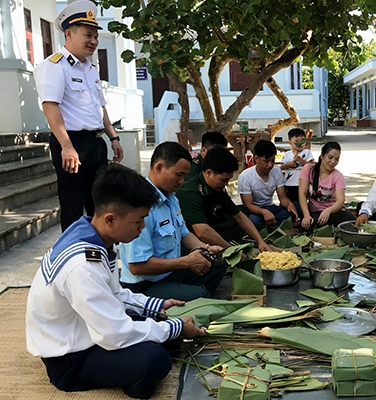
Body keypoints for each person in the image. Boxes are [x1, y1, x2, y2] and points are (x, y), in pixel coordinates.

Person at [26, 163, 205, 399]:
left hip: (88, 330)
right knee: (156, 359)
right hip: (70, 359)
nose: (142, 228)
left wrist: (158, 305)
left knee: (162, 328)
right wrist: (177, 327)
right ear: (111, 219)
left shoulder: (91, 232)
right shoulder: (82, 265)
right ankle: (131, 382)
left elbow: (114, 293)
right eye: (138, 221)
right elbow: (115, 333)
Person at [34, 0, 124, 232]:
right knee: (73, 206)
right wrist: (67, 146)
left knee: (100, 204)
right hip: (72, 143)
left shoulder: (90, 69)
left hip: (96, 143)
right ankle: (73, 258)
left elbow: (100, 108)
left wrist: (113, 138)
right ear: (69, 34)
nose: (94, 41)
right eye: (88, 35)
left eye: (95, 36)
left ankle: (100, 250)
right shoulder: (54, 66)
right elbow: (50, 107)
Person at [119, 142, 227, 301]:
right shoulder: (141, 205)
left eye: (184, 176)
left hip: (172, 273)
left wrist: (206, 249)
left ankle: (185, 294)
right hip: (145, 285)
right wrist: (186, 262)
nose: (182, 181)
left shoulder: (171, 198)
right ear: (159, 167)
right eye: (179, 175)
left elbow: (184, 234)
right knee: (201, 295)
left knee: (218, 264)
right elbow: (137, 267)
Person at [176, 146, 272, 251]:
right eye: (223, 180)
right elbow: (203, 232)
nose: (226, 184)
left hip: (212, 227)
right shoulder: (190, 193)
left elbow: (238, 216)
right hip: (193, 241)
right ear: (208, 173)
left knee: (241, 224)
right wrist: (230, 250)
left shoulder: (217, 189)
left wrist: (260, 241)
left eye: (228, 180)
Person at [238, 139, 299, 227]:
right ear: (256, 158)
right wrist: (263, 212)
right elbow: (249, 205)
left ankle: (272, 226)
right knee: (253, 219)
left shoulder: (277, 171)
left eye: (273, 160)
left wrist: (289, 204)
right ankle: (286, 225)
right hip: (256, 211)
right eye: (266, 161)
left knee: (297, 207)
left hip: (272, 208)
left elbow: (282, 198)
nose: (270, 165)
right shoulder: (245, 177)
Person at [299, 141, 355, 229]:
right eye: (330, 157)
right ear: (322, 155)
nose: (333, 162)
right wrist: (306, 215)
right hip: (313, 212)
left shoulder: (338, 176)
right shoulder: (308, 169)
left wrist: (328, 211)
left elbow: (340, 201)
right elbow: (302, 193)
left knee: (352, 223)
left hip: (333, 212)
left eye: (337, 159)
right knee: (309, 224)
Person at [280, 128, 315, 202]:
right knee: (291, 201)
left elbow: (311, 166)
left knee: (302, 201)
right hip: (289, 183)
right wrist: (289, 164)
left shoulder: (307, 152)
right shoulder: (287, 154)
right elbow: (282, 167)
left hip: (303, 183)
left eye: (302, 141)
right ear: (290, 143)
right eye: (296, 141)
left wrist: (301, 160)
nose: (300, 144)